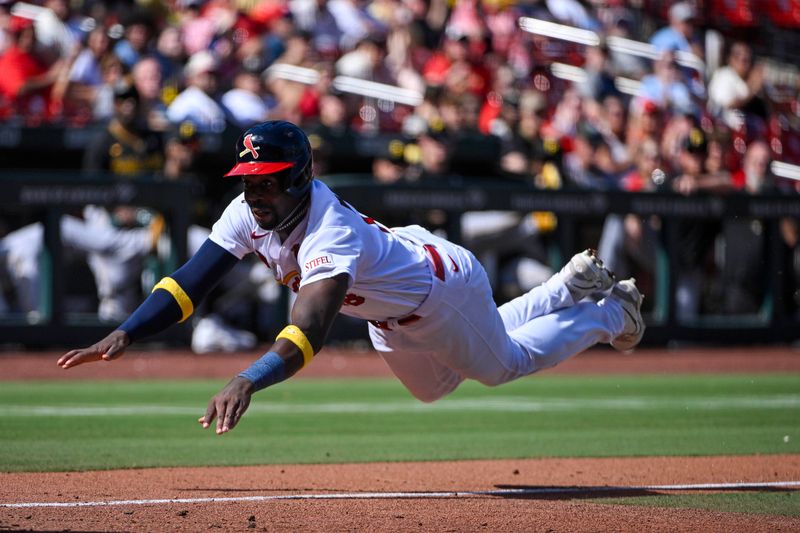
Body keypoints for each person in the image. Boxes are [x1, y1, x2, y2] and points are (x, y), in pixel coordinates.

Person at [57, 120, 645, 435]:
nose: (256, 190)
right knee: (435, 388)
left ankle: (609, 312)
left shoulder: (328, 229)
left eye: (269, 179)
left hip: (442, 291)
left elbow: (309, 327)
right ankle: (562, 289)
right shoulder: (248, 211)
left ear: (301, 177)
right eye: (249, 178)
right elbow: (190, 282)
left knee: (503, 367)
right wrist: (128, 332)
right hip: (392, 312)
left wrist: (247, 378)